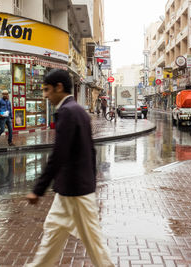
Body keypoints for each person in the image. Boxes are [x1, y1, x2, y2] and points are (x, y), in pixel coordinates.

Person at [25, 69, 114, 267]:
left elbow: (59, 154)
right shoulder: (78, 110)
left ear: (59, 87)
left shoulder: (67, 112)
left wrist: (38, 190)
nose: (45, 95)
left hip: (76, 192)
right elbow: (91, 152)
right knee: (52, 234)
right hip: (70, 189)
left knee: (94, 243)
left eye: (47, 90)